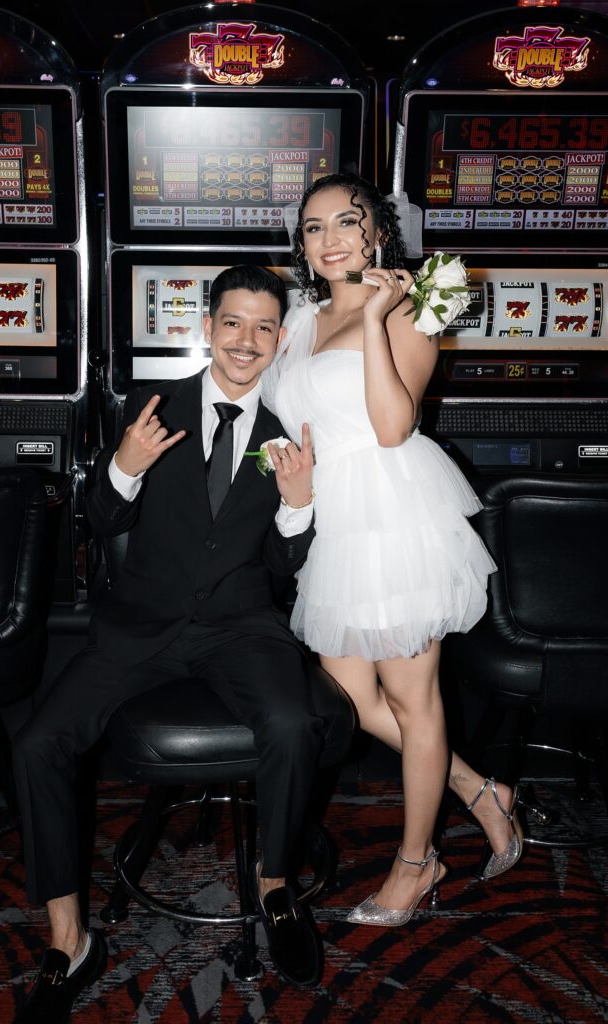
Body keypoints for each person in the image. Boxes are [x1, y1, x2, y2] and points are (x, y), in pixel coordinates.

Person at [11, 265, 353, 1020]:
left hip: (239, 626)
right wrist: (123, 469)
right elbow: (100, 522)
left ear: (279, 339)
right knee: (38, 743)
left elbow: (282, 567)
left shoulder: (288, 432)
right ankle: (69, 939)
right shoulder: (151, 406)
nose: (246, 341)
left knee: (293, 725)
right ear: (206, 328)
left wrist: (298, 510)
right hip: (139, 624)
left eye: (264, 327)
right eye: (232, 322)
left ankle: (274, 888)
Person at [261, 173, 523, 928]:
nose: (331, 237)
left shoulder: (415, 305)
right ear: (302, 247)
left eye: (348, 221)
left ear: (377, 233)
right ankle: (479, 790)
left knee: (413, 698)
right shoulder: (302, 321)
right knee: (351, 695)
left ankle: (416, 862)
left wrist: (376, 318)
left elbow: (388, 427)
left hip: (393, 511)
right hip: (330, 520)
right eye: (314, 227)